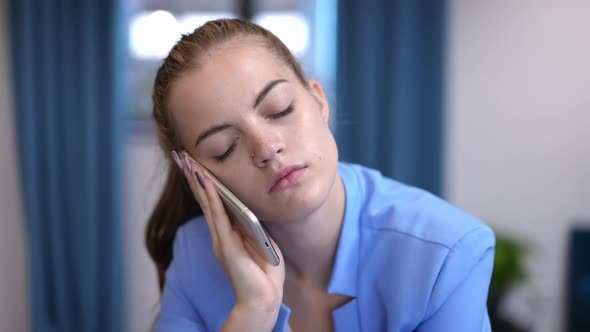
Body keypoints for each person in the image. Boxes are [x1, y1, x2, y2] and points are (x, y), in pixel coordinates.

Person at [146, 18, 495, 332]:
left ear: (318, 100)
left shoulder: (447, 253)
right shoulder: (194, 256)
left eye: (280, 109)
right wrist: (253, 312)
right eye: (225, 147)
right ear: (196, 175)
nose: (267, 148)